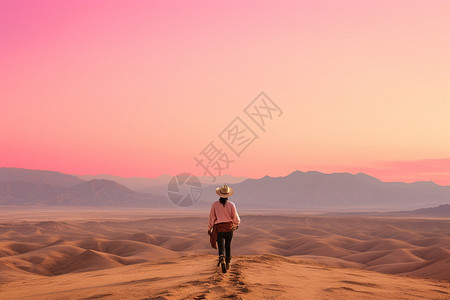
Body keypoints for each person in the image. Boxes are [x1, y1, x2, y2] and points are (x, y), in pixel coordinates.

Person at [208, 184, 240, 273]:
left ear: (219, 194)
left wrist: (210, 227)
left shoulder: (215, 204)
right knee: (228, 245)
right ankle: (228, 262)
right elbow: (235, 217)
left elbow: (212, 217)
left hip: (219, 228)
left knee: (221, 246)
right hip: (229, 228)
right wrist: (236, 224)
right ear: (228, 195)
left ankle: (221, 257)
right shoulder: (231, 204)